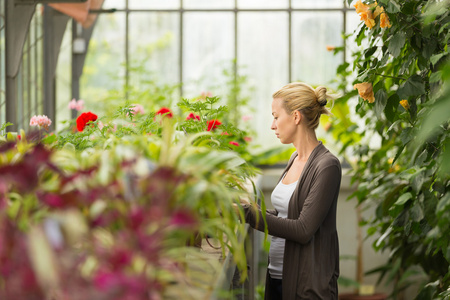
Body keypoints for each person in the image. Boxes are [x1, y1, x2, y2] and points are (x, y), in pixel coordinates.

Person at [240, 82, 342, 299]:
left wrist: (249, 214)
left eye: (276, 117)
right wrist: (246, 208)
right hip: (277, 278)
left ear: (296, 117)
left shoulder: (327, 166)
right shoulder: (294, 158)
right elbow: (287, 216)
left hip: (306, 287)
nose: (272, 125)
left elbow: (303, 229)